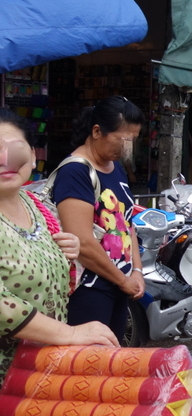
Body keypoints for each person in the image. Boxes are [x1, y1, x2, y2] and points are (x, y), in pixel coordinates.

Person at [0, 109, 118, 378]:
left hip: (38, 373)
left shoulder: (36, 206)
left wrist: (68, 255)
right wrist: (71, 333)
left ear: (32, 156)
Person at [53, 97, 145, 341]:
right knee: (89, 362)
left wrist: (136, 271)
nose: (128, 147)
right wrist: (122, 280)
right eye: (123, 139)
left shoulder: (116, 167)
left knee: (110, 360)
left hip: (117, 283)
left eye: (133, 140)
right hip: (89, 287)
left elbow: (126, 223)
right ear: (97, 131)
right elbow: (81, 241)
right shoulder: (75, 172)